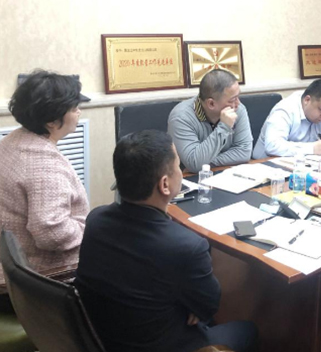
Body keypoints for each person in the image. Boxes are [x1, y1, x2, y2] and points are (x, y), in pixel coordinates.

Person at [75, 131, 257, 352]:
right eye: (178, 166)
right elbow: (209, 306)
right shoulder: (186, 247)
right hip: (162, 344)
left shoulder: (95, 220)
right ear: (164, 184)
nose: (181, 172)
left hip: (100, 339)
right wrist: (192, 307)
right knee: (247, 330)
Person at [0, 71, 89, 302]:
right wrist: (89, 231)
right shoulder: (45, 165)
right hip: (38, 281)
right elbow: (52, 234)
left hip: (11, 268)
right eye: (74, 108)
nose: (79, 112)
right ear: (51, 120)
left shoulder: (12, 141)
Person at [168, 69, 253, 172]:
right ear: (211, 104)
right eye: (232, 100)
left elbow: (244, 152)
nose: (238, 103)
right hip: (189, 178)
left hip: (226, 173)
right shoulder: (181, 117)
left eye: (238, 97)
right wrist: (224, 127)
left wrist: (206, 163)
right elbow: (194, 163)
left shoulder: (238, 109)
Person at [253, 79, 321, 159]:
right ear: (307, 100)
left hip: (302, 165)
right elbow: (272, 146)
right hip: (265, 165)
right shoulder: (285, 109)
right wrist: (312, 148)